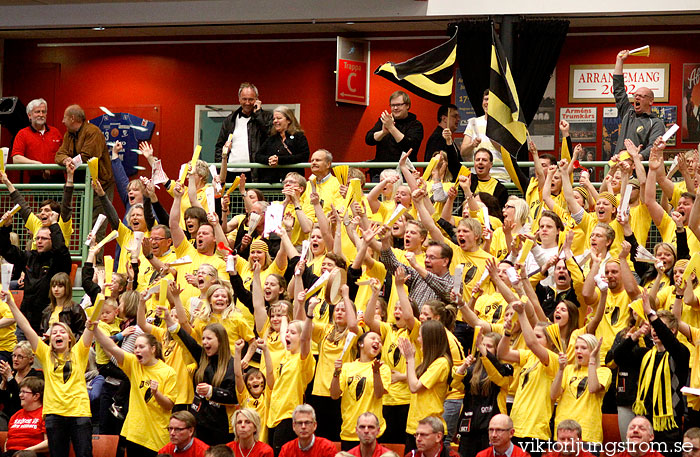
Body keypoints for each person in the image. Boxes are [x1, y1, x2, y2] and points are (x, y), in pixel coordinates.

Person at [2, 290, 94, 457]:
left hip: (79, 413)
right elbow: (25, 326)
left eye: (62, 332)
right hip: (54, 414)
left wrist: (93, 319)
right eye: (54, 333)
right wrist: (10, 303)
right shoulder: (45, 354)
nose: (58, 334)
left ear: (70, 338)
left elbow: (91, 328)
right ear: (50, 339)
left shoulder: (79, 351)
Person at [92, 322, 177, 456]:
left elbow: (168, 405)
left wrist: (156, 393)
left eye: (141, 347)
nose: (136, 350)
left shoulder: (168, 372)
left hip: (156, 437)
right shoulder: (134, 364)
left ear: (153, 349)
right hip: (134, 434)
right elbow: (111, 347)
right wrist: (95, 329)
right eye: (135, 347)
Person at [54, 104, 115, 252]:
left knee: (97, 227)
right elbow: (58, 155)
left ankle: (95, 262)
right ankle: (83, 258)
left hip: (100, 185)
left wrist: (70, 161)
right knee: (83, 225)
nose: (62, 121)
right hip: (82, 187)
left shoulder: (93, 132)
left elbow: (89, 156)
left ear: (73, 118)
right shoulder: (68, 134)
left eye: (64, 118)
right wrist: (65, 160)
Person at [0, 216, 71, 333]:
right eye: (37, 238)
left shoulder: (58, 261)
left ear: (53, 240)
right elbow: (6, 249)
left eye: (44, 238)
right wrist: (6, 228)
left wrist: (54, 225)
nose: (39, 241)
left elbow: (61, 250)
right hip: (26, 321)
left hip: (47, 323)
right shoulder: (29, 257)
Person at [214, 82, 273, 182]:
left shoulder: (267, 117)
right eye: (244, 99)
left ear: (257, 100)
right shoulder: (230, 120)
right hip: (230, 171)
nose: (247, 102)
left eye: (251, 99)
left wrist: (258, 115)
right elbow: (220, 147)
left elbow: (270, 137)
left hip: (254, 173)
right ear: (239, 99)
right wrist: (221, 171)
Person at [612, 50, 665, 159]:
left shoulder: (656, 123)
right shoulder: (628, 113)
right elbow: (619, 90)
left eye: (641, 96)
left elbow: (652, 147)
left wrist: (636, 159)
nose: (636, 97)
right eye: (635, 95)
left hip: (638, 171)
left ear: (651, 101)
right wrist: (619, 61)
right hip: (618, 167)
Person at [365, 91, 424, 181]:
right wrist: (383, 132)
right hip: (381, 174)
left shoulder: (415, 125)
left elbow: (409, 146)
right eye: (393, 105)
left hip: (404, 175)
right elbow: (369, 139)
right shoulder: (384, 121)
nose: (395, 108)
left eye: (399, 105)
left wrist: (391, 128)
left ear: (407, 106)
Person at [10, 98, 63, 183]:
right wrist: (38, 165)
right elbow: (16, 159)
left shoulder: (55, 132)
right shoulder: (22, 134)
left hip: (58, 179)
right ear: (29, 115)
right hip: (37, 180)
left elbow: (64, 153)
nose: (41, 115)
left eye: (43, 111)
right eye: (37, 112)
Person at [461, 90, 507, 181]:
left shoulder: (505, 124)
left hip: (499, 176)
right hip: (477, 177)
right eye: (485, 99)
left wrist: (492, 137)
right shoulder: (473, 123)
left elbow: (508, 152)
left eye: (491, 100)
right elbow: (463, 152)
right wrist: (472, 145)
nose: (487, 102)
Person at [255, 106, 309, 184]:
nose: (275, 121)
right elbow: (258, 156)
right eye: (274, 119)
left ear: (289, 120)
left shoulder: (299, 137)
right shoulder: (271, 138)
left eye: (279, 118)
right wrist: (269, 160)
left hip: (293, 183)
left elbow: (304, 157)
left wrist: (279, 160)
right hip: (272, 184)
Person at [3, 377, 48, 457]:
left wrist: (26, 450)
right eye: (20, 392)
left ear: (36, 396)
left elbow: (49, 443)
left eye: (24, 392)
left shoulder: (45, 414)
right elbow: (8, 440)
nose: (20, 395)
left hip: (32, 453)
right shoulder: (15, 415)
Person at [0, 342, 43, 419]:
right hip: (7, 417)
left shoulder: (36, 375)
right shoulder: (11, 374)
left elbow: (21, 397)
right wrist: (3, 383)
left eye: (20, 357)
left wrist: (10, 378)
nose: (15, 359)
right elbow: (4, 402)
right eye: (14, 356)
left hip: (27, 417)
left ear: (31, 359)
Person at [424, 104, 461, 179]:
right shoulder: (437, 137)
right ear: (444, 119)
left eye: (458, 116)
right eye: (454, 116)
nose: (458, 119)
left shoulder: (444, 136)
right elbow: (434, 163)